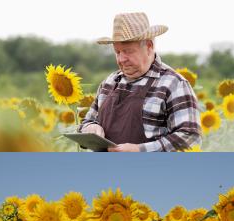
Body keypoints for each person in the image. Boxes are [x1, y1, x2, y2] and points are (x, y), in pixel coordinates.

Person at [79, 12, 201, 152]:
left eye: (128, 51)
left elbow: (190, 138)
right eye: (117, 52)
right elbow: (88, 121)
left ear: (149, 46)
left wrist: (140, 150)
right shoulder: (109, 82)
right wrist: (90, 128)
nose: (121, 59)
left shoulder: (174, 84)